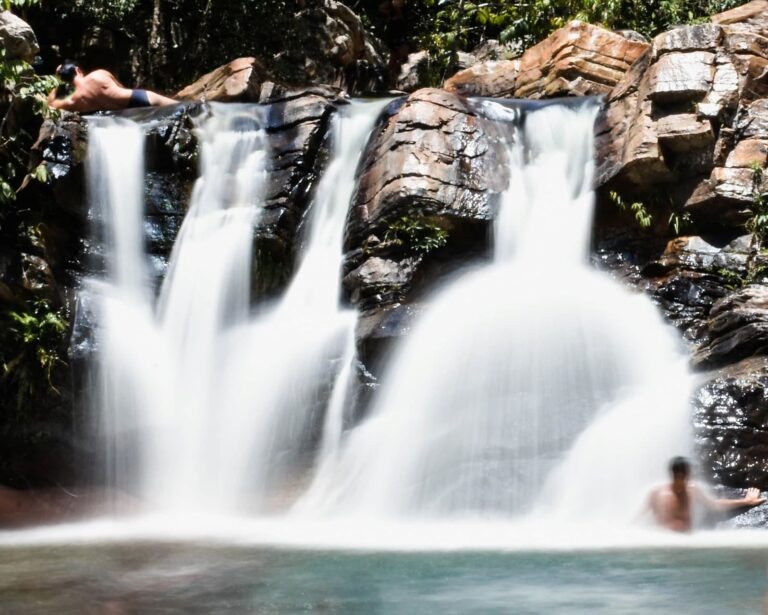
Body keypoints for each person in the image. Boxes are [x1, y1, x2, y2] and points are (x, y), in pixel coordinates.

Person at [646, 456, 766, 532]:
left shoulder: (692, 490)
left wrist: (747, 501)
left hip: (684, 542)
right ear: (674, 474)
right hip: (664, 541)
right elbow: (639, 517)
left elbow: (714, 505)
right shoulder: (657, 493)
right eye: (680, 475)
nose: (684, 478)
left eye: (685, 475)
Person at [47, 62, 176, 113]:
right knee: (184, 108)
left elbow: (51, 104)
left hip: (128, 114)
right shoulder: (99, 74)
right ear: (78, 70)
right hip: (139, 98)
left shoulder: (74, 100)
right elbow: (121, 87)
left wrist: (57, 81)